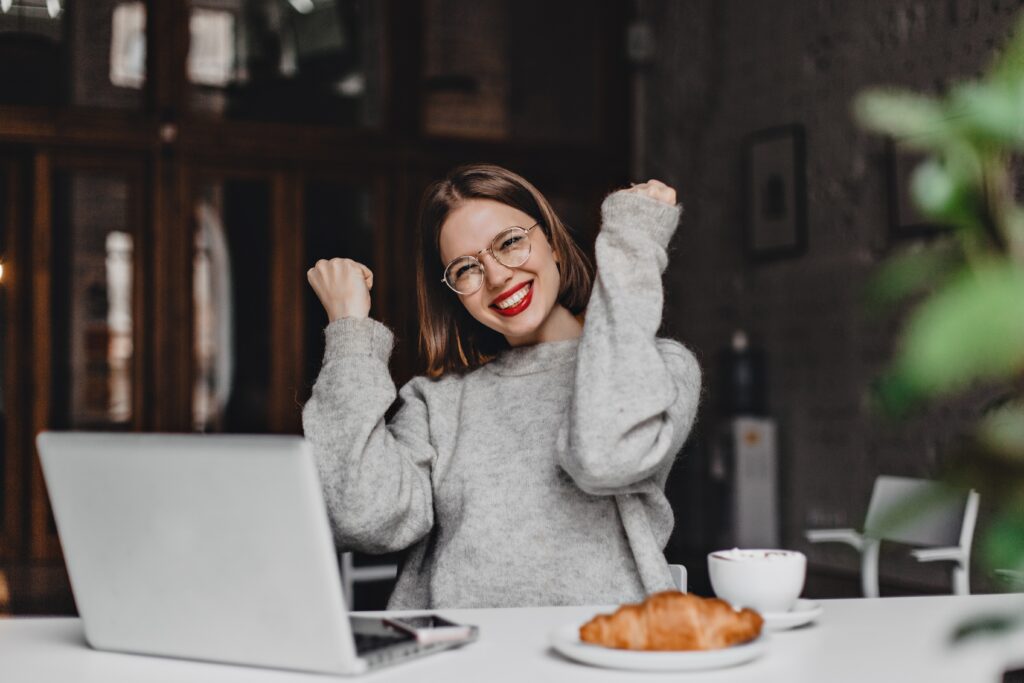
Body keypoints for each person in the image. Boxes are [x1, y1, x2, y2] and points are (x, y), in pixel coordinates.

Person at [303, 164, 701, 609]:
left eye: (511, 242)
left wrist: (632, 241)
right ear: (455, 292)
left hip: (602, 656)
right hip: (458, 660)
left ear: (550, 238)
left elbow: (606, 456)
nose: (496, 277)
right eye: (466, 269)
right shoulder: (436, 401)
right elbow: (363, 518)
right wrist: (348, 330)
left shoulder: (660, 368)